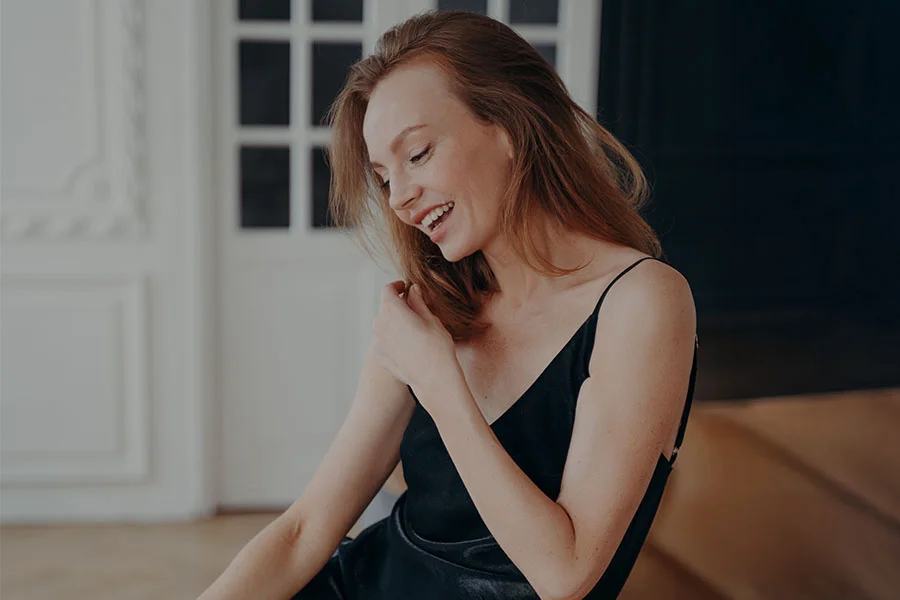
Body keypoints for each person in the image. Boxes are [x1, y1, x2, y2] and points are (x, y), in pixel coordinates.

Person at [199, 10, 698, 600]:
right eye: (383, 178)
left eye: (418, 154)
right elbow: (307, 530)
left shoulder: (642, 302)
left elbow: (567, 573)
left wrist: (439, 380)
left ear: (508, 126)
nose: (401, 199)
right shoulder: (430, 307)